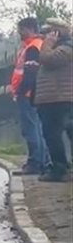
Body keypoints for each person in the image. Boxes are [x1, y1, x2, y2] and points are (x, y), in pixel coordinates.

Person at [34, 19, 73, 182]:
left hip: (61, 98)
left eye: (48, 32)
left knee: (56, 134)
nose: (45, 36)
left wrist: (47, 44)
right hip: (51, 98)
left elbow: (48, 60)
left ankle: (59, 169)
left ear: (56, 32)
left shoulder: (67, 47)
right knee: (52, 135)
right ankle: (59, 166)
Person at [11, 17, 49, 174]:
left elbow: (30, 74)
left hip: (27, 94)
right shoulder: (32, 46)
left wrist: (21, 91)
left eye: (21, 29)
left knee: (31, 128)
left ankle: (35, 162)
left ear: (30, 29)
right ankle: (42, 161)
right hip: (30, 93)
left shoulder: (33, 48)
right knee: (36, 128)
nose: (19, 32)